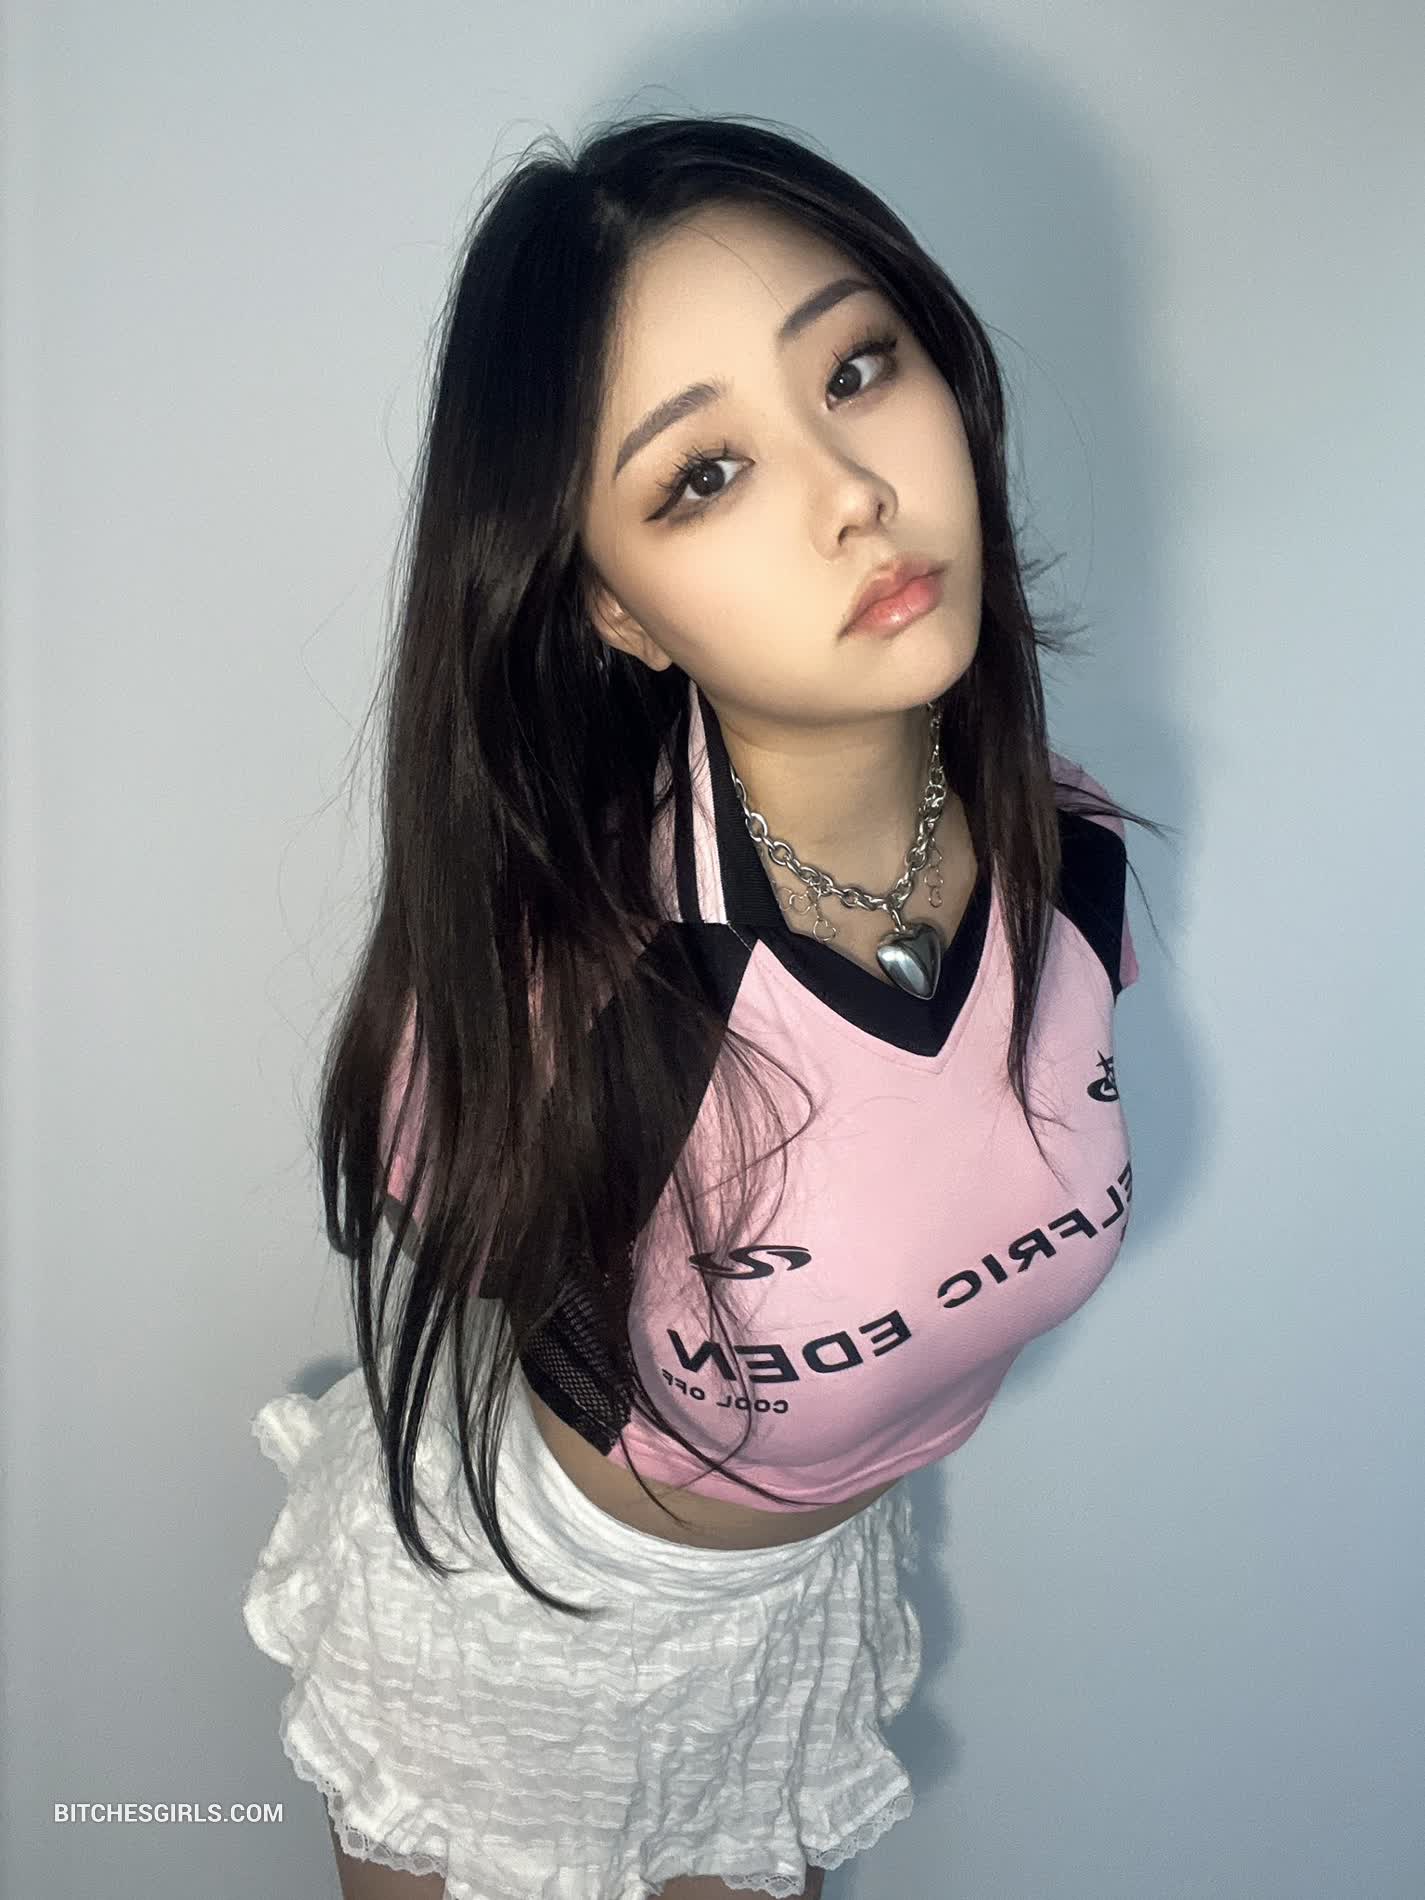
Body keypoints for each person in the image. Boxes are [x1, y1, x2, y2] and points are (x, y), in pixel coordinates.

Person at [241, 109, 1164, 1900]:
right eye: (705, 474)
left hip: (805, 1609)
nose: (851, 494)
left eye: (857, 368)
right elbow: (491, 1241)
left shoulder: (1075, 861)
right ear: (618, 608)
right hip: (527, 1636)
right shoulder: (580, 984)